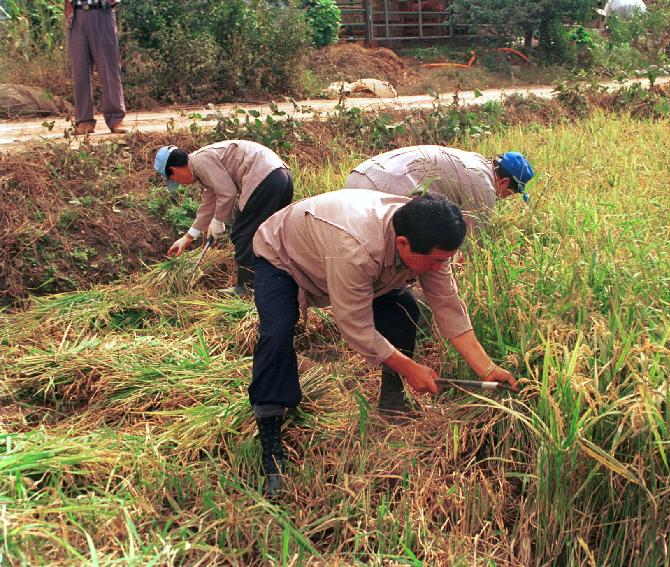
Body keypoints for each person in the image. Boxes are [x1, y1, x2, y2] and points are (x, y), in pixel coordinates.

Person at [250, 191, 516, 496]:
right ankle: (271, 434)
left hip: (339, 259)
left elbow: (447, 305)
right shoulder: (356, 247)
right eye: (434, 261)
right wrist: (409, 368)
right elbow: (354, 326)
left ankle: (392, 400)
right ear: (402, 244)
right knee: (277, 332)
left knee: (403, 308)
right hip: (284, 256)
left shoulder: (425, 238)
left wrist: (487, 368)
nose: (438, 267)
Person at [153, 140, 294, 295]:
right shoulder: (202, 168)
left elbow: (227, 192)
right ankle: (278, 281)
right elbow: (209, 204)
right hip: (281, 176)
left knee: (243, 234)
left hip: (264, 178)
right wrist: (188, 237)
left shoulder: (200, 161)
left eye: (174, 179)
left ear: (174, 169)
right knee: (269, 233)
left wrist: (218, 221)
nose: (179, 183)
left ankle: (246, 287)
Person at [343, 145, 535, 227]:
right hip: (382, 192)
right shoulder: (484, 187)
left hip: (359, 175)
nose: (502, 199)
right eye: (509, 194)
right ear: (504, 182)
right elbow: (469, 251)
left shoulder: (473, 161)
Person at [64, 0, 127, 135]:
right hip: (77, 14)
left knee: (109, 69)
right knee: (80, 70)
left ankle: (115, 118)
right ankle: (84, 121)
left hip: (102, 12)